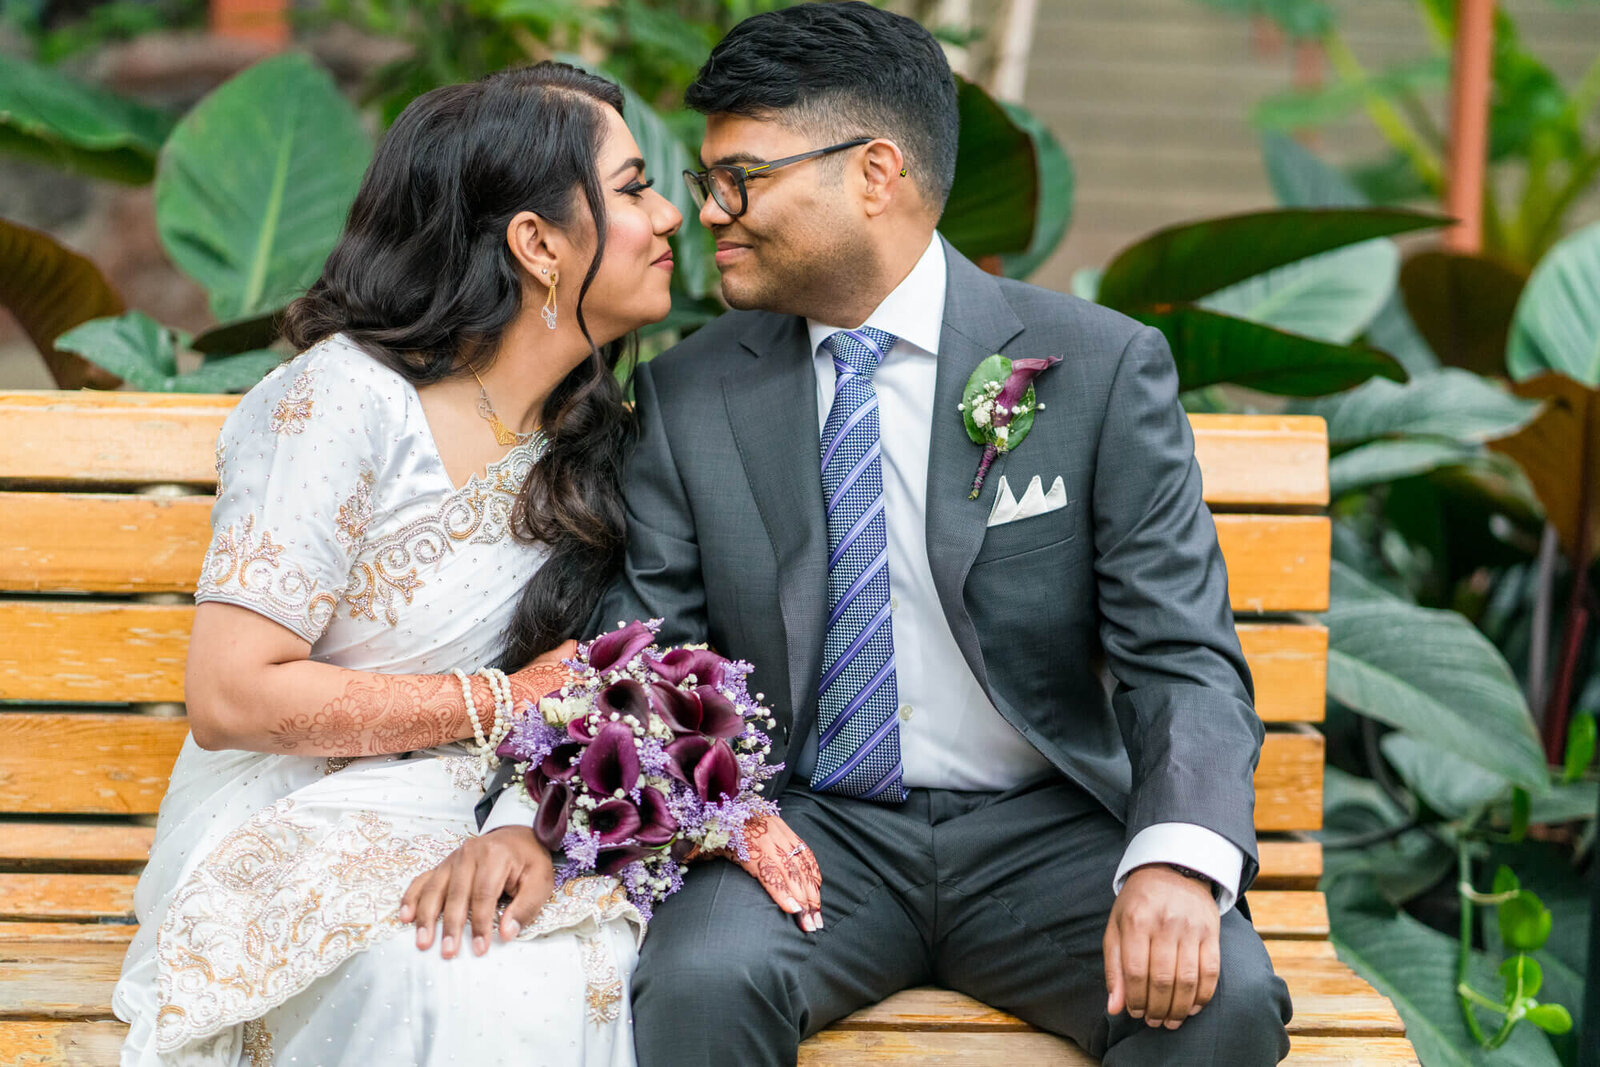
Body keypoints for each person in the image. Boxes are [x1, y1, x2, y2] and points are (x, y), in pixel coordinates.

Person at [441, 3, 1294, 1065]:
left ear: (874, 173)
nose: (709, 210)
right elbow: (645, 652)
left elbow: (1182, 657)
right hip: (802, 825)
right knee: (705, 978)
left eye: (740, 177)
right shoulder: (688, 390)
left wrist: (1173, 860)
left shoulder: (1097, 369)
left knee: (1223, 999)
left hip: (1044, 832)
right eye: (709, 180)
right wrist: (540, 808)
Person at [114, 61, 694, 1067]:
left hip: (496, 814)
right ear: (538, 244)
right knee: (448, 971)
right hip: (294, 816)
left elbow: (602, 682)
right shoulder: (341, 402)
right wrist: (497, 702)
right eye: (636, 186)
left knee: (574, 961)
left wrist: (529, 813)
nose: (672, 214)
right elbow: (230, 693)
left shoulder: (599, 442)